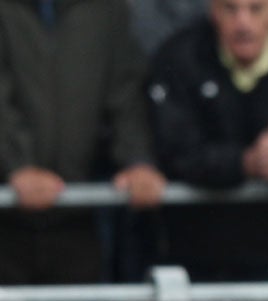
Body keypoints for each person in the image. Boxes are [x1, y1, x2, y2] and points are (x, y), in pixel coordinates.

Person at [145, 0, 268, 281]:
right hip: (192, 250)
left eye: (256, 8)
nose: (243, 23)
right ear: (212, 10)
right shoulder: (178, 58)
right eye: (231, 8)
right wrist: (245, 162)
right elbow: (173, 149)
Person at [0, 0, 166, 284]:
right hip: (6, 209)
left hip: (79, 212)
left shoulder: (107, 10)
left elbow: (125, 94)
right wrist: (16, 166)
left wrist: (137, 161)